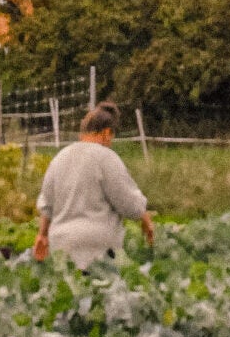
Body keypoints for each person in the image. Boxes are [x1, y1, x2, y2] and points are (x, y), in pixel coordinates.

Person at [33, 101, 156, 266]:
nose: (110, 142)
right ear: (106, 133)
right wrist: (146, 221)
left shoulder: (60, 157)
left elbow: (47, 205)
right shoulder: (106, 158)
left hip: (61, 245)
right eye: (111, 137)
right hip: (98, 248)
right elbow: (129, 203)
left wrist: (42, 235)